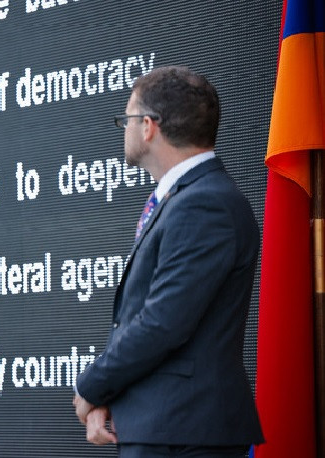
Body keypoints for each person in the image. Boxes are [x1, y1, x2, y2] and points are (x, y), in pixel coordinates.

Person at [72, 66, 264, 457]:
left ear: (148, 126)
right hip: (166, 425)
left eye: (126, 119)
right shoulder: (187, 198)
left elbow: (162, 322)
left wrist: (91, 387)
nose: (124, 129)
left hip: (185, 431)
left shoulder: (204, 203)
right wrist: (109, 396)